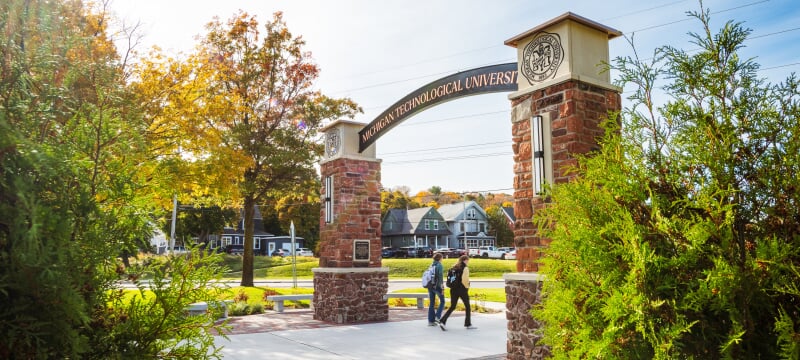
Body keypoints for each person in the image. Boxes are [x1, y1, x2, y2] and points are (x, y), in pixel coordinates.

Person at [439, 255, 476, 330]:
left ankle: (443, 321)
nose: (468, 262)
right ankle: (468, 324)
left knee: (452, 306)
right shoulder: (465, 268)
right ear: (465, 260)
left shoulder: (453, 267)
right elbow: (465, 280)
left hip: (453, 289)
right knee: (467, 307)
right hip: (462, 290)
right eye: (468, 260)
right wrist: (467, 287)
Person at [427, 252, 445, 326]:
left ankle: (431, 321)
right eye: (442, 258)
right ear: (440, 258)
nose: (443, 259)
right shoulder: (439, 265)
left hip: (430, 286)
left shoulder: (431, 265)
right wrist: (442, 288)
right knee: (443, 301)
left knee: (431, 303)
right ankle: (437, 317)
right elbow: (440, 278)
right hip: (437, 286)